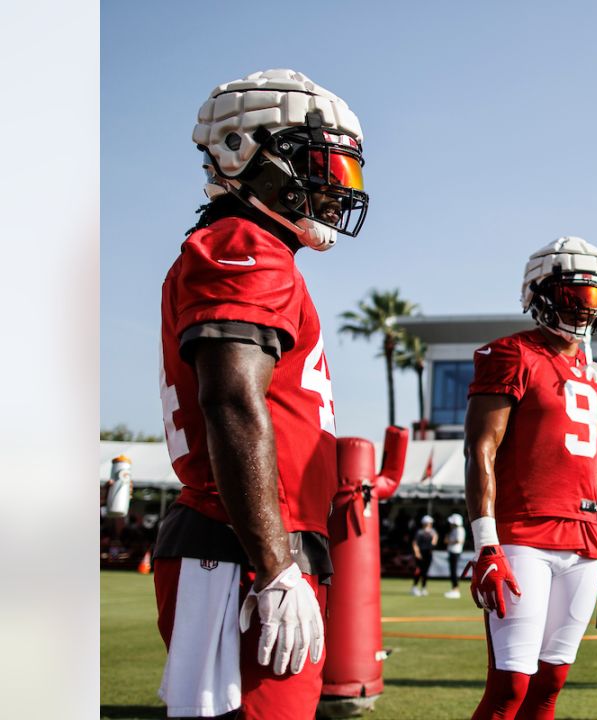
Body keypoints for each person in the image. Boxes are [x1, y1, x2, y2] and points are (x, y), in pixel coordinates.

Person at [153, 68, 369, 719]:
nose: (337, 189)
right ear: (246, 154)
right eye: (323, 165)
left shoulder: (255, 249)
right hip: (242, 547)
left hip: (255, 541)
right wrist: (276, 566)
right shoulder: (244, 245)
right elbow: (230, 402)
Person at [464, 237, 597, 720]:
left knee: (550, 685)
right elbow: (481, 449)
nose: (583, 308)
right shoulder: (511, 353)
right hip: (522, 536)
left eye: (593, 297)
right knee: (510, 688)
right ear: (539, 293)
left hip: (584, 543)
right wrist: (486, 545)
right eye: (572, 294)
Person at [412, 515, 438, 596]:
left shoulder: (433, 532)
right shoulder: (419, 532)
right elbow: (415, 543)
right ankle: (414, 587)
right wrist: (417, 553)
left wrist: (434, 538)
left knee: (425, 572)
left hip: (428, 554)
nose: (428, 524)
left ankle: (423, 588)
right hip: (420, 553)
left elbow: (434, 543)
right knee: (418, 570)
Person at [445, 512, 467, 599]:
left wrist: (448, 541)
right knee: (452, 571)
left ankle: (455, 589)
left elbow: (459, 541)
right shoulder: (455, 529)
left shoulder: (459, 530)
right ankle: (454, 588)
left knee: (453, 571)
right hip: (452, 551)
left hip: (455, 552)